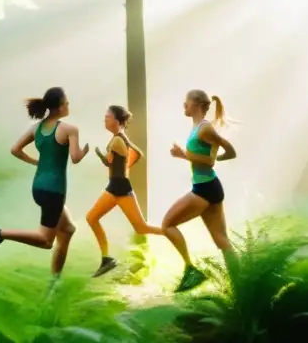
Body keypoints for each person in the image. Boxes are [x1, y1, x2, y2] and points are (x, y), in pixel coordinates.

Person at [0, 87, 87, 277]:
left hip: (39, 187)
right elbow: (75, 158)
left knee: (67, 229)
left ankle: (55, 282)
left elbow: (15, 149)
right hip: (54, 191)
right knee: (45, 241)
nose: (68, 105)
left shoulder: (36, 128)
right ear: (59, 107)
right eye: (66, 102)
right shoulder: (69, 129)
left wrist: (36, 161)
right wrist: (84, 151)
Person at [161, 90, 237, 292]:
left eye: (186, 102)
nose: (183, 105)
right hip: (208, 186)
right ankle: (241, 283)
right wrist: (204, 154)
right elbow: (217, 152)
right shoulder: (199, 127)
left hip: (205, 188)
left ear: (196, 104)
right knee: (222, 241)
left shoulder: (205, 129)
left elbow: (222, 155)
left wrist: (184, 155)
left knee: (167, 225)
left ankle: (191, 270)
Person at [84, 105, 163, 278]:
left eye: (108, 117)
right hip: (116, 185)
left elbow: (108, 162)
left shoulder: (117, 140)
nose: (105, 120)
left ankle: (169, 231)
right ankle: (106, 259)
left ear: (117, 121)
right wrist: (124, 167)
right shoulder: (120, 138)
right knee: (92, 218)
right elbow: (138, 154)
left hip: (118, 187)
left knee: (141, 227)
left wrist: (100, 155)